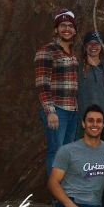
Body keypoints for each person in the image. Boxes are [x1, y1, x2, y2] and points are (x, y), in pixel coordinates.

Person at [35, 9, 79, 175]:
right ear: (56, 29)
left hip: (73, 110)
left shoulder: (73, 54)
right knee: (56, 152)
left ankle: (64, 189)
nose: (67, 29)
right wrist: (50, 111)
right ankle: (55, 190)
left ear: (74, 31)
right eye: (63, 25)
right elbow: (42, 83)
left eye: (70, 26)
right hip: (57, 110)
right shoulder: (47, 51)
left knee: (67, 154)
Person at [77, 30, 104, 150]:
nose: (93, 46)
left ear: (101, 46)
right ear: (85, 46)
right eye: (90, 43)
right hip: (86, 126)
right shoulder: (78, 70)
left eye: (97, 43)